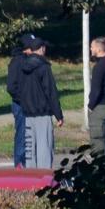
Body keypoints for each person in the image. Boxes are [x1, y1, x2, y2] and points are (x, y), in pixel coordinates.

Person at [20, 37, 63, 169]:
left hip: (27, 114)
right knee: (44, 147)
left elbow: (17, 88)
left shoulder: (22, 67)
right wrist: (58, 114)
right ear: (41, 49)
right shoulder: (44, 67)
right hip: (42, 113)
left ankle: (30, 181)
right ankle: (44, 181)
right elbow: (51, 92)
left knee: (29, 150)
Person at [6, 33, 35, 167]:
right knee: (22, 135)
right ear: (26, 48)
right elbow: (11, 87)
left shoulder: (29, 60)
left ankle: (28, 163)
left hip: (29, 104)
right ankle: (20, 164)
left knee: (29, 135)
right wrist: (24, 100)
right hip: (21, 104)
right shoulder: (17, 62)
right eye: (32, 47)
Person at [88, 36, 105, 159]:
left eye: (92, 46)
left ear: (98, 49)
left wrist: (90, 106)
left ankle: (100, 170)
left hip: (100, 106)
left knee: (98, 140)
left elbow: (96, 89)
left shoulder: (99, 67)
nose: (90, 48)